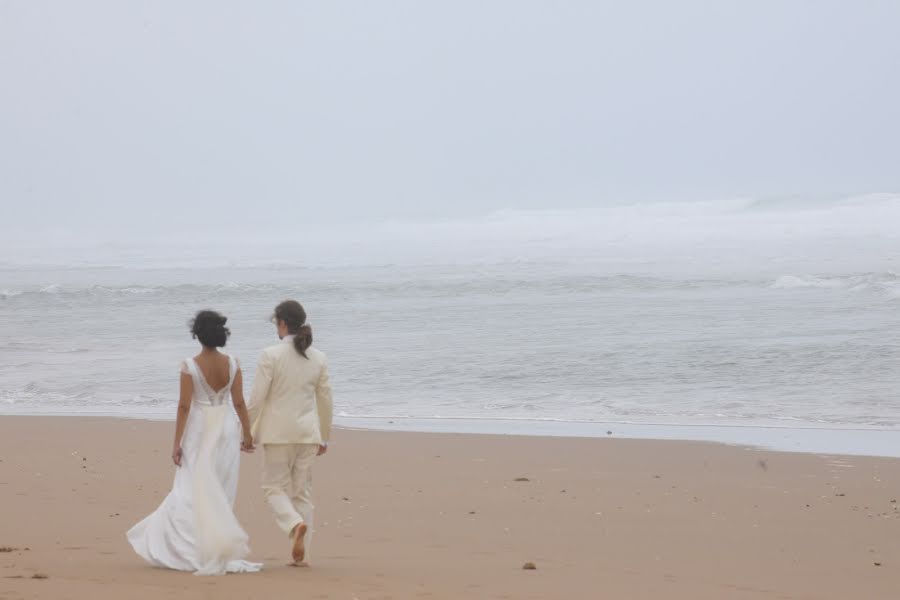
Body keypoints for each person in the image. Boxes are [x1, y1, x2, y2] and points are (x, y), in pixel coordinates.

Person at [127, 310, 262, 575]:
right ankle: (214, 547)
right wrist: (247, 433)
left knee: (190, 487)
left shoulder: (190, 365)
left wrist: (176, 442)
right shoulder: (233, 363)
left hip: (200, 429)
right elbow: (238, 402)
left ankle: (190, 547)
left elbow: (184, 406)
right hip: (225, 427)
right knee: (221, 489)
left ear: (197, 335)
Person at [248, 300, 333, 565]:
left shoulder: (270, 355)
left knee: (273, 488)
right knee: (302, 493)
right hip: (308, 433)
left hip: (277, 433)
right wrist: (325, 435)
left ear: (283, 323)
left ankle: (294, 524)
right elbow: (325, 399)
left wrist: (246, 431)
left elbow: (256, 398)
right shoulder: (318, 357)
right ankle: (302, 556)